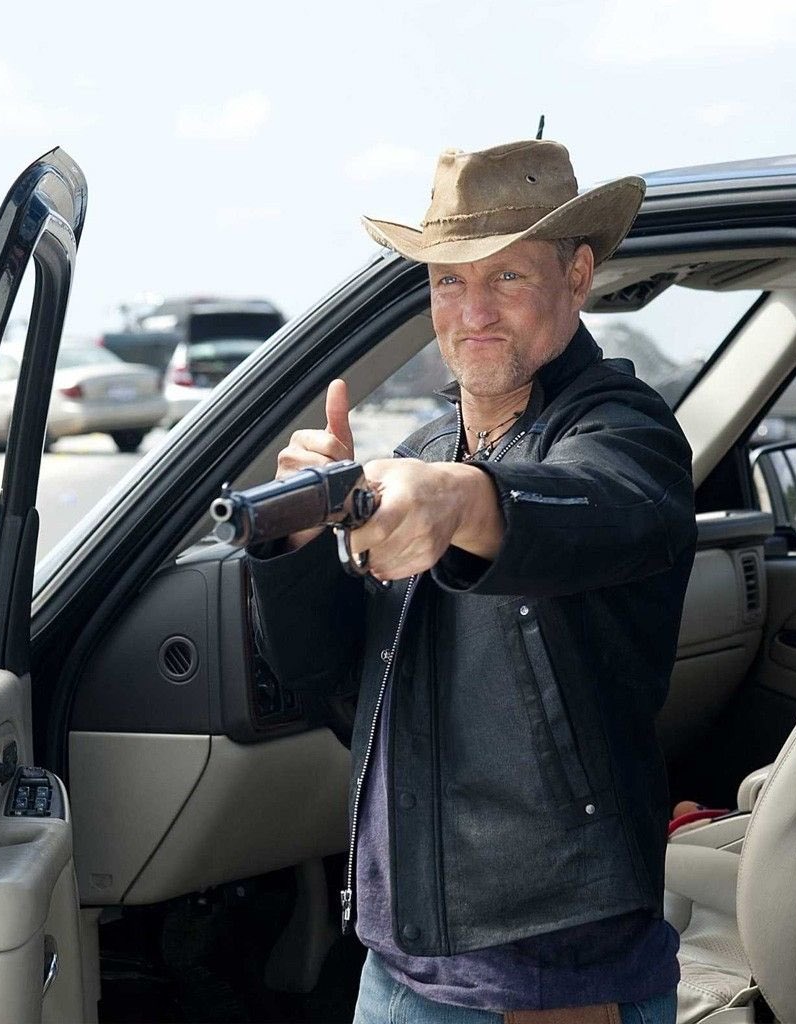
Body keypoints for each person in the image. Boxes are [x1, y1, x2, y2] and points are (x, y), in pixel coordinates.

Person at [249, 139, 696, 1023]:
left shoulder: (626, 428)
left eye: (508, 277)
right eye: (450, 281)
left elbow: (598, 502)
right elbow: (331, 682)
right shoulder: (420, 449)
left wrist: (464, 500)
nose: (474, 311)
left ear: (576, 275)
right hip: (398, 959)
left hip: (549, 982)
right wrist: (295, 537)